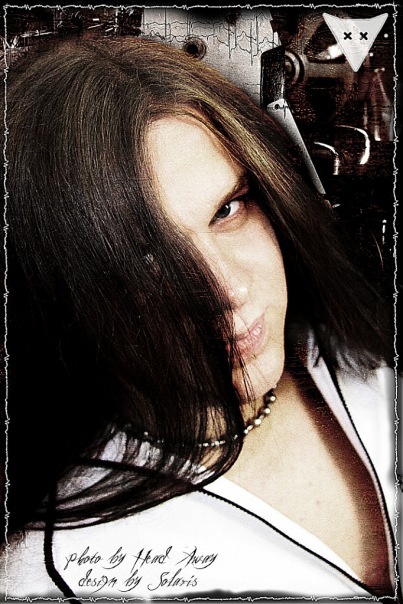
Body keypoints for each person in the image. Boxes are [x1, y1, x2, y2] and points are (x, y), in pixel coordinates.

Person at [0, 37, 399, 601]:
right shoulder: (55, 574)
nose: (227, 291)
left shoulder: (367, 341)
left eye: (226, 210)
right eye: (146, 257)